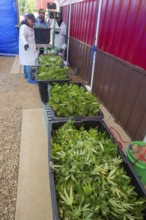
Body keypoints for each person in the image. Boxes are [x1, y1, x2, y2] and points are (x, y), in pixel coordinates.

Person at [19, 14, 38, 84]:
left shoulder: (29, 26)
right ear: (27, 19)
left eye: (33, 21)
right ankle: (29, 78)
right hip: (26, 47)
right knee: (28, 62)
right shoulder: (23, 27)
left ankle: (26, 75)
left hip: (30, 46)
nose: (33, 22)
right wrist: (25, 43)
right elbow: (22, 36)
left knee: (25, 61)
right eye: (32, 21)